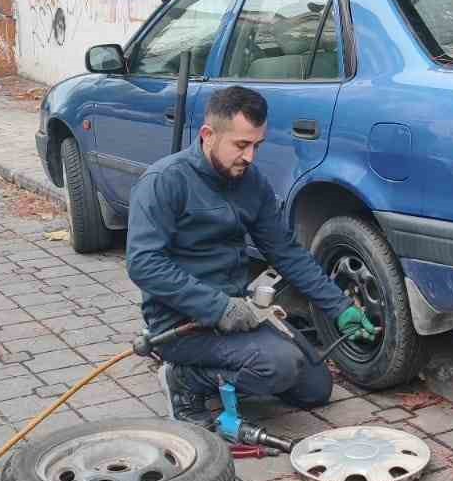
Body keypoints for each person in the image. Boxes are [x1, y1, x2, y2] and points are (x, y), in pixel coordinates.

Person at [127, 85, 379, 427]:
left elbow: (286, 252)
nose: (249, 157)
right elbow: (144, 264)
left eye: (256, 146)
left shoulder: (250, 182)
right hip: (181, 326)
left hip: (237, 315)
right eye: (241, 145)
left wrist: (339, 306)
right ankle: (184, 379)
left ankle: (227, 370)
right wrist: (218, 307)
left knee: (316, 389)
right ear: (208, 135)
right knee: (279, 366)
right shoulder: (164, 182)